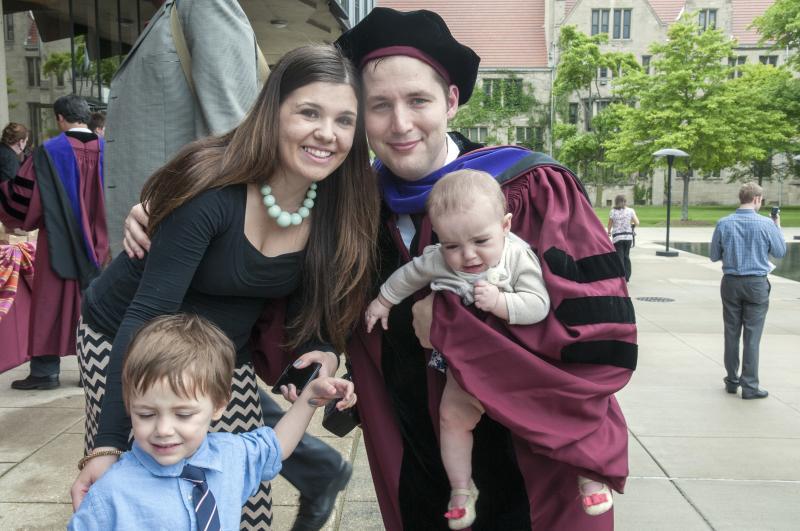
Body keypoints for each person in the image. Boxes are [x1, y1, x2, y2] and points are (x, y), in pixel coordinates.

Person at [126, 9, 636, 530]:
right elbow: (295, 304)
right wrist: (166, 210)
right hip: (412, 456)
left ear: (452, 101)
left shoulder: (529, 190)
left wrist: (456, 326)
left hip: (533, 457)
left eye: (418, 100)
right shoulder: (350, 207)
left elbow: (599, 334)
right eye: (378, 106)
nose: (400, 124)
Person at [69, 44, 379, 531]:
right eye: (309, 112)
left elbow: (304, 313)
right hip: (126, 337)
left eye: (344, 120)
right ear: (272, 113)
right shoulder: (213, 190)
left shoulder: (336, 207)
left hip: (220, 349)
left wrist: (322, 355)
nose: (327, 133)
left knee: (241, 498)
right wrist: (106, 444)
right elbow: (145, 314)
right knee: (143, 490)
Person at [364, 169, 557, 528]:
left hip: (513, 374)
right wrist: (382, 302)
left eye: (480, 241)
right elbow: (408, 275)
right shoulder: (440, 257)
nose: (467, 255)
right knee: (451, 420)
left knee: (545, 422)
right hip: (463, 374)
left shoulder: (516, 257)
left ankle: (586, 472)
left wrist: (500, 302)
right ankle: (460, 489)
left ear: (505, 226)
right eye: (452, 245)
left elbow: (538, 305)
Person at [69, 313, 357, 531]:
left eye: (183, 414)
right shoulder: (111, 491)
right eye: (145, 414)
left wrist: (309, 397)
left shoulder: (231, 455)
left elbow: (278, 444)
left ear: (219, 405)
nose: (163, 429)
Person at [103, 0, 265, 254]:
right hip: (152, 236)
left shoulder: (206, 4)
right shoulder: (178, 9)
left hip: (178, 239)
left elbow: (233, 136)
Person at [1, 96, 108, 391]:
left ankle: (45, 372)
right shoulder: (108, 149)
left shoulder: (48, 151)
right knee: (99, 303)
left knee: (49, 302)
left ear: (60, 118)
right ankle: (94, 371)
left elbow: (22, 199)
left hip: (56, 240)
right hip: (102, 242)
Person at [710, 182, 785, 400]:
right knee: (752, 336)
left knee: (731, 332)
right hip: (756, 284)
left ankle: (732, 380)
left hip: (731, 282)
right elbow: (779, 252)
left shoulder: (723, 223)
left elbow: (714, 255)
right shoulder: (766, 224)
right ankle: (750, 385)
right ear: (756, 199)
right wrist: (777, 226)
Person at [607, 194, 640, 282]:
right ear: (625, 202)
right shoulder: (630, 211)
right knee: (626, 256)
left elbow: (610, 224)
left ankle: (620, 276)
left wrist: (609, 232)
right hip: (628, 237)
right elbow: (637, 222)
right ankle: (627, 277)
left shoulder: (612, 211)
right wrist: (631, 224)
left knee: (619, 257)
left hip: (617, 237)